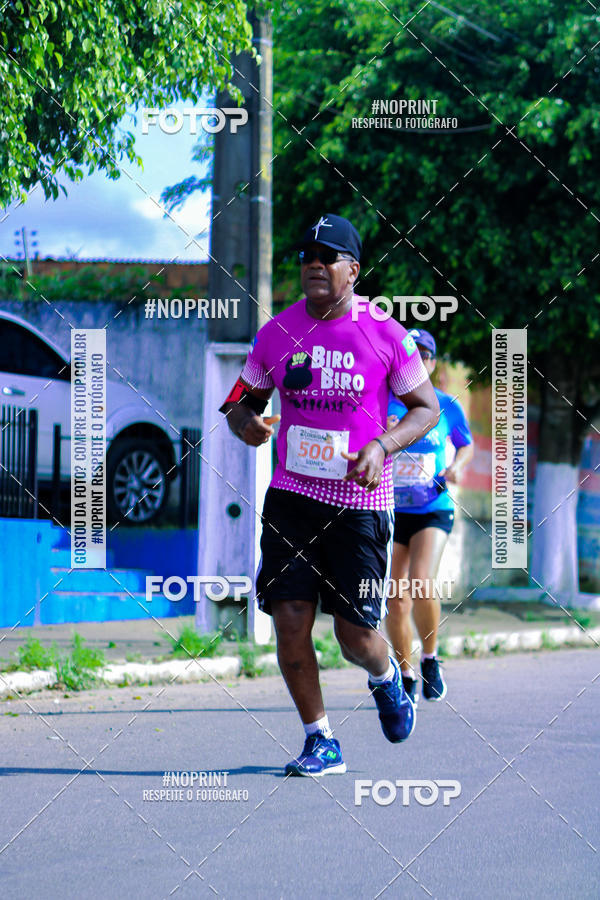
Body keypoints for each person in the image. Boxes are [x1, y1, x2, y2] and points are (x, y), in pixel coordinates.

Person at [220, 214, 439, 776]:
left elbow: (425, 408)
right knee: (289, 618)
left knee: (353, 635)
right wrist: (243, 421)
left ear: (353, 271)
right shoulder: (276, 333)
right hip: (292, 498)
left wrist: (381, 448)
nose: (314, 264)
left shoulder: (385, 333)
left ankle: (386, 677)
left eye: (328, 257)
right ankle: (321, 740)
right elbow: (239, 399)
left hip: (359, 506)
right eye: (307, 256)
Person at [385, 329, 474, 704]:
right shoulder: (384, 401)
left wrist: (456, 466)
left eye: (425, 355)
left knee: (421, 582)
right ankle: (405, 672)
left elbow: (466, 445)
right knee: (394, 594)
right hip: (390, 508)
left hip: (432, 506)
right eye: (412, 354)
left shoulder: (446, 405)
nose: (418, 361)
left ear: (433, 363)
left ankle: (431, 658)